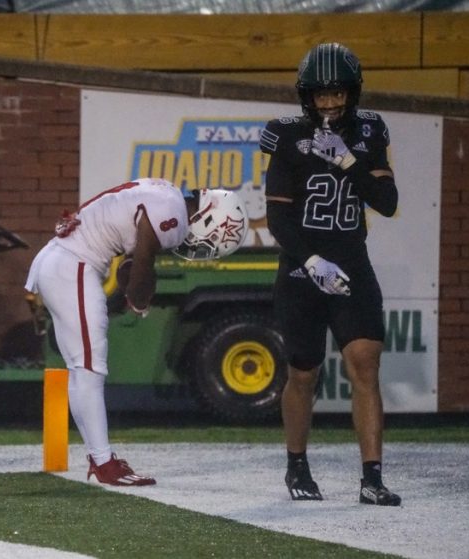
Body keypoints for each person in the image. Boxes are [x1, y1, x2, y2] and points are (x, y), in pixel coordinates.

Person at [25, 178, 247, 486]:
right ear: (211, 218)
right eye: (209, 240)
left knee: (83, 369)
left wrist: (119, 302)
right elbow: (141, 264)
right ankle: (104, 463)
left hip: (63, 261)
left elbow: (130, 266)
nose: (198, 246)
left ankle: (99, 458)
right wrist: (140, 302)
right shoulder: (172, 213)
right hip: (73, 265)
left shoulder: (166, 195)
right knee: (89, 368)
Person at [259, 42, 401, 505]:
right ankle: (297, 464)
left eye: (337, 93)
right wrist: (310, 262)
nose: (329, 103)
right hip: (304, 269)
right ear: (307, 96)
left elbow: (387, 202)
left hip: (352, 263)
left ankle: (372, 477)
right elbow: (278, 218)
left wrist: (348, 161)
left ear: (352, 92)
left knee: (366, 365)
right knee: (304, 372)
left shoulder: (368, 131)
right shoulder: (285, 134)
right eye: (320, 95)